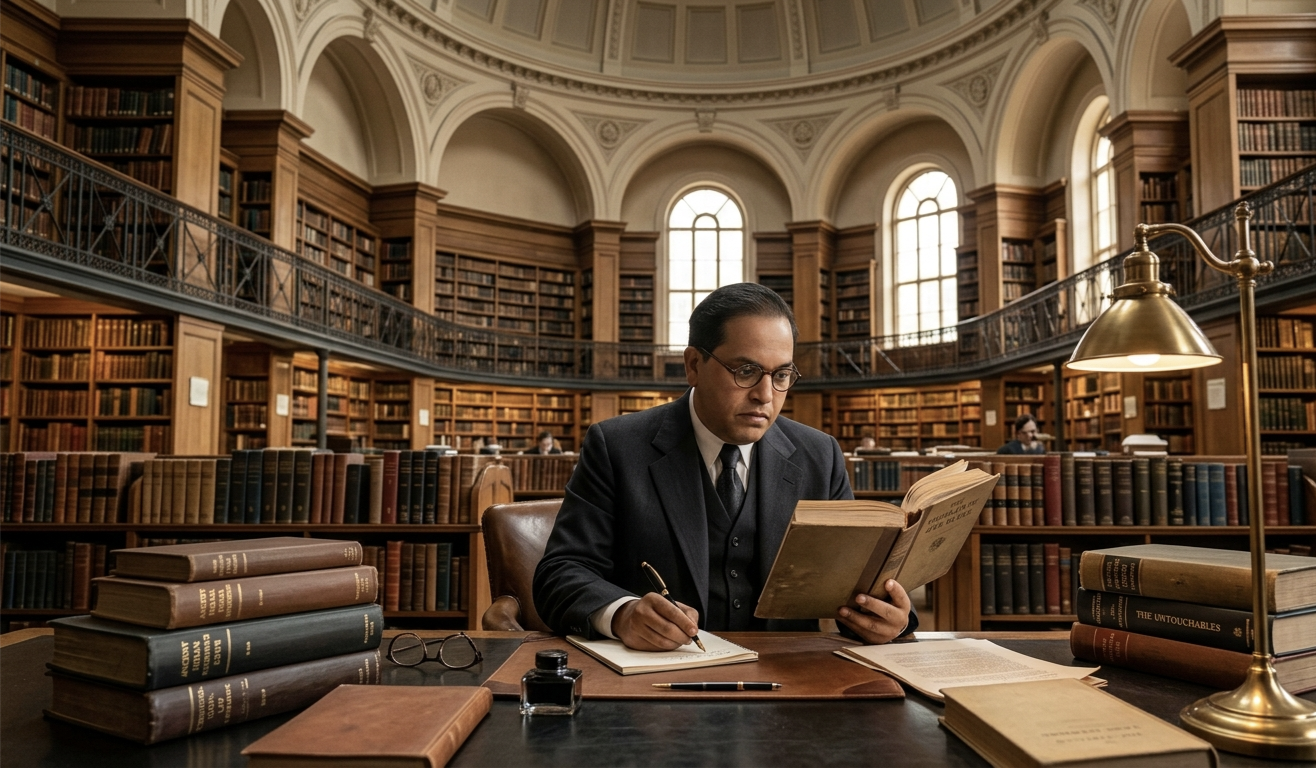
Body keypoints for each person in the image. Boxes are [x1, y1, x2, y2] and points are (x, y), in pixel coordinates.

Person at [534, 282, 915, 651]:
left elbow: (858, 581)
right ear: (694, 364)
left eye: (781, 375)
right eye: (746, 371)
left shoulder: (821, 455)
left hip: (793, 681)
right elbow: (561, 572)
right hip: (659, 686)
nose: (765, 395)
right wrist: (622, 614)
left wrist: (892, 618)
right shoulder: (616, 447)